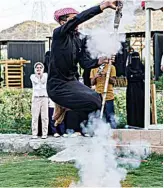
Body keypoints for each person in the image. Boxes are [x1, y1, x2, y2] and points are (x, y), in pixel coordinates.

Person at [47, 1, 118, 127]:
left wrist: (100, 60)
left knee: (96, 100)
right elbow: (81, 17)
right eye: (73, 20)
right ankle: (62, 104)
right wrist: (103, 5)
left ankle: (66, 106)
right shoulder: (58, 34)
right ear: (63, 22)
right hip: (57, 85)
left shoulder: (79, 39)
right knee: (92, 100)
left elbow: (85, 63)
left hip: (71, 82)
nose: (78, 23)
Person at [90, 59, 117, 129]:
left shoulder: (111, 67)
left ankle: (112, 132)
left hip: (108, 96)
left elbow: (114, 81)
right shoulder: (94, 68)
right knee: (99, 116)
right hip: (98, 96)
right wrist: (95, 76)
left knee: (110, 116)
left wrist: (106, 75)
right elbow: (92, 83)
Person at [126, 51, 145, 128]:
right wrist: (137, 76)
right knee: (132, 106)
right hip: (132, 89)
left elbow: (143, 76)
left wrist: (133, 76)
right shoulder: (129, 67)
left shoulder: (142, 67)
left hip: (139, 89)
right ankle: (133, 123)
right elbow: (129, 77)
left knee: (140, 105)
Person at [30, 62, 49, 139]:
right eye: (37, 68)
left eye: (40, 68)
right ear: (35, 69)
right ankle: (34, 133)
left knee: (45, 117)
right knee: (35, 116)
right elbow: (37, 81)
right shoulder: (32, 76)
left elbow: (43, 81)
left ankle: (44, 133)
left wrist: (40, 75)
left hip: (44, 98)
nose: (38, 69)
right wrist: (38, 75)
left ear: (43, 69)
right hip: (36, 98)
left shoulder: (46, 75)